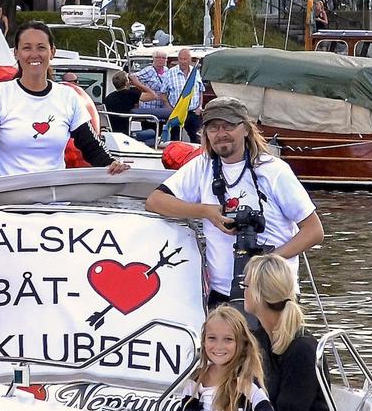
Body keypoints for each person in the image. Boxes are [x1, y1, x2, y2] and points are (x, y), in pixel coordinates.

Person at [144, 96, 324, 307]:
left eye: (229, 126)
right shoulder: (203, 167)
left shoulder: (273, 170)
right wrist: (206, 212)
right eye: (213, 128)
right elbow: (155, 201)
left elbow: (314, 231)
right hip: (223, 295)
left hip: (273, 292)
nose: (221, 134)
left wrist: (266, 261)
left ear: (246, 129)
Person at [0, 21, 128, 180]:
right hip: (8, 199)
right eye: (26, 48)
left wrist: (111, 164)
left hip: (55, 199)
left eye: (41, 48)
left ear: (52, 52)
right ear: (16, 53)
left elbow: (91, 145)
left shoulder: (68, 97)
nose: (34, 55)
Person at [243, 254, 330, 411]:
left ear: (259, 294)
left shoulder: (302, 351)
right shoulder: (260, 339)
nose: (242, 291)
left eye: (245, 286)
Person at [175, 306, 277, 411]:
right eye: (212, 338)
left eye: (228, 339)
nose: (219, 346)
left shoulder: (245, 381)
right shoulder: (196, 378)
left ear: (241, 343)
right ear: (204, 341)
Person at [158, 48, 204, 143]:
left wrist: (200, 107)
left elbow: (200, 90)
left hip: (193, 112)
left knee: (197, 139)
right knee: (175, 140)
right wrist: (169, 108)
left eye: (185, 59)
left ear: (190, 60)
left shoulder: (195, 72)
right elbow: (162, 94)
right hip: (177, 112)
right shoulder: (170, 73)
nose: (183, 61)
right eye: (181, 59)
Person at [103, 70, 158, 147]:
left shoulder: (108, 97)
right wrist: (137, 83)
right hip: (126, 133)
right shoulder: (131, 94)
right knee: (152, 132)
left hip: (113, 132)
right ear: (126, 83)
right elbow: (153, 96)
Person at [129, 50, 172, 123]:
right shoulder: (149, 70)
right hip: (149, 107)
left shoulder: (167, 71)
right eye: (158, 57)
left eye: (163, 58)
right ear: (154, 59)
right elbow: (132, 77)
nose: (161, 60)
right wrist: (142, 87)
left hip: (162, 108)